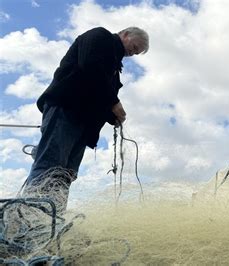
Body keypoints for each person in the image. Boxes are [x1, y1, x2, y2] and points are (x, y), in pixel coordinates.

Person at [20, 26, 149, 212]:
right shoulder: (100, 36)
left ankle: (52, 219)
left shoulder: (114, 69)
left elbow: (97, 95)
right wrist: (114, 102)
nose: (133, 53)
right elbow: (89, 66)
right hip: (66, 109)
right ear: (126, 34)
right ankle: (27, 218)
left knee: (66, 175)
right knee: (49, 165)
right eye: (135, 47)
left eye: (137, 52)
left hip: (83, 124)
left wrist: (113, 118)